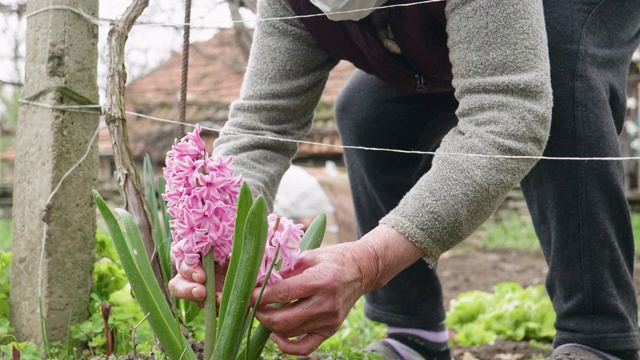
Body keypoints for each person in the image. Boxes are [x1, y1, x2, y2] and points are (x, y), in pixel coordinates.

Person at [168, 0, 640, 359]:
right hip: (432, 28)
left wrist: (367, 262)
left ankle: (598, 335)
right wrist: (219, 232)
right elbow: (262, 126)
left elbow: (507, 111)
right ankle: (415, 334)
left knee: (556, 75)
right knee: (369, 113)